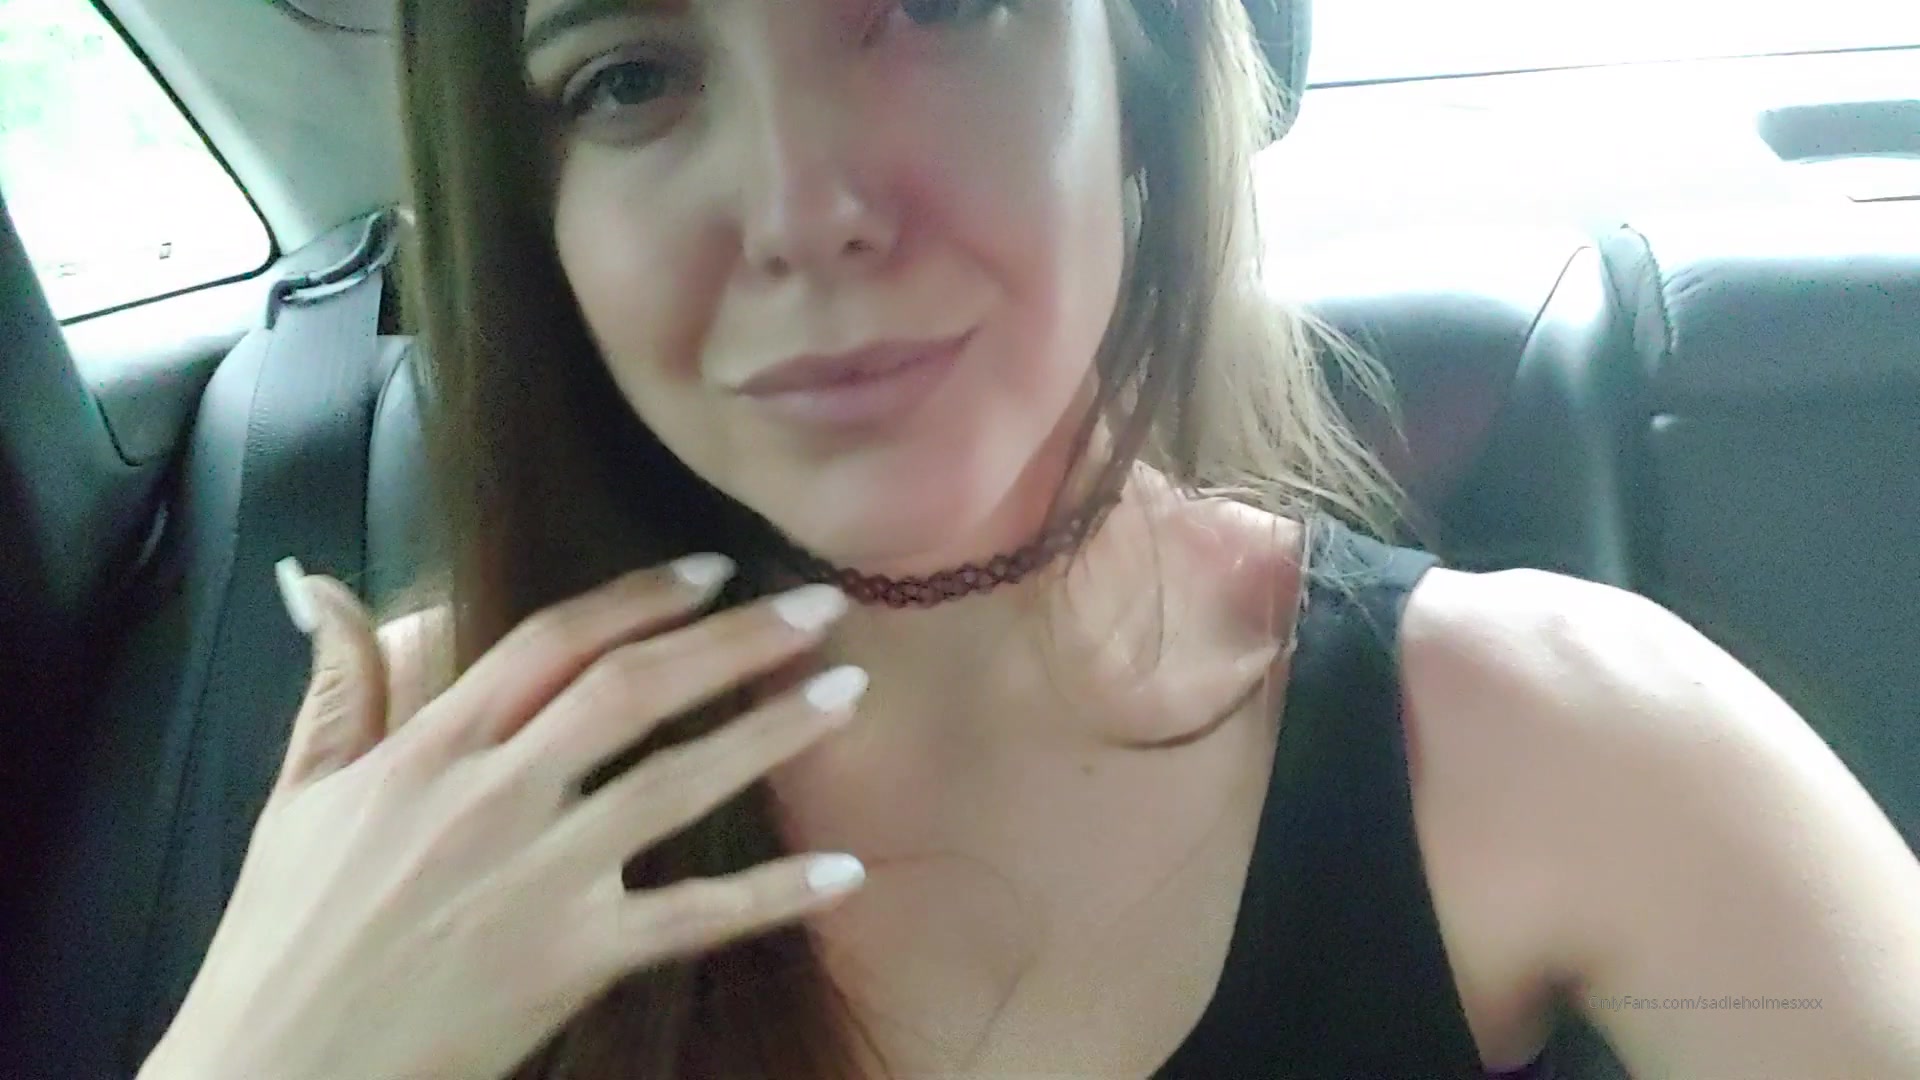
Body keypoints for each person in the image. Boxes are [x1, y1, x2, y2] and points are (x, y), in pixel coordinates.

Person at [138, 0, 1920, 1077]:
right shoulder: (422, 775)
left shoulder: (1554, 737)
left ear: (1142, 67)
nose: (806, 211)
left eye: (936, 5)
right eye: (629, 78)